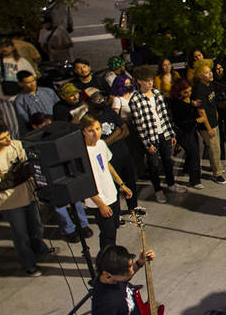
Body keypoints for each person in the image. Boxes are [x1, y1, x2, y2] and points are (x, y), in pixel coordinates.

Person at [0, 123, 49, 276]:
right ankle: (28, 263)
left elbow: (29, 165)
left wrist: (14, 175)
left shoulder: (15, 145)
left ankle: (39, 249)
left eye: (8, 135)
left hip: (28, 194)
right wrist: (21, 174)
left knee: (37, 227)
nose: (8, 140)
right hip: (9, 202)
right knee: (20, 234)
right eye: (3, 139)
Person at [129, 66, 185, 203]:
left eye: (152, 80)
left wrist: (171, 134)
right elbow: (139, 125)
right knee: (153, 165)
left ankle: (171, 184)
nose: (150, 83)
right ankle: (158, 190)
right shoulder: (135, 100)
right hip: (150, 137)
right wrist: (147, 144)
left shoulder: (158, 94)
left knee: (167, 160)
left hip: (163, 133)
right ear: (139, 81)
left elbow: (165, 116)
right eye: (147, 80)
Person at [80, 114, 132, 249]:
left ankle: (111, 255)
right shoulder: (82, 153)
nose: (96, 133)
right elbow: (85, 183)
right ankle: (107, 260)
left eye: (98, 129)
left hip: (111, 194)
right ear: (83, 132)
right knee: (107, 234)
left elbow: (107, 165)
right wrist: (100, 204)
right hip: (99, 200)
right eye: (91, 130)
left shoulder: (101, 144)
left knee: (114, 228)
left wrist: (121, 184)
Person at [87, 90, 143, 214]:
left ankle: (133, 207)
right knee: (114, 187)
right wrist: (116, 133)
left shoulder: (109, 112)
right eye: (96, 99)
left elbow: (125, 131)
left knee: (130, 182)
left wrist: (107, 140)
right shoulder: (89, 119)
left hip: (123, 153)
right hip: (108, 159)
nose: (100, 100)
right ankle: (116, 213)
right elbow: (98, 143)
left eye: (100, 97)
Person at [0, 37, 38, 137]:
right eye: (1, 46)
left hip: (21, 96)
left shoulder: (22, 61)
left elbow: (32, 77)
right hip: (3, 98)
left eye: (7, 46)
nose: (4, 49)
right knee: (11, 125)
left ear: (13, 47)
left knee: (26, 122)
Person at [188, 60, 226, 183]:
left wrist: (216, 114)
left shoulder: (209, 85)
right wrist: (208, 127)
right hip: (206, 124)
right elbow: (201, 111)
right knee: (213, 148)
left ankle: (217, 167)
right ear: (200, 76)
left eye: (210, 71)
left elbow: (212, 102)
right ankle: (217, 174)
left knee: (216, 147)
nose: (210, 74)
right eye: (206, 73)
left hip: (213, 120)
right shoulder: (199, 89)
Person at [167, 78, 203, 190]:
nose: (189, 94)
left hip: (191, 130)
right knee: (194, 154)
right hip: (183, 132)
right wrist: (196, 120)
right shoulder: (176, 104)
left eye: (190, 91)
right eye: (185, 92)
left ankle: (187, 169)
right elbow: (181, 122)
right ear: (178, 92)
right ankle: (195, 180)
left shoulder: (187, 100)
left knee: (193, 152)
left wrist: (193, 105)